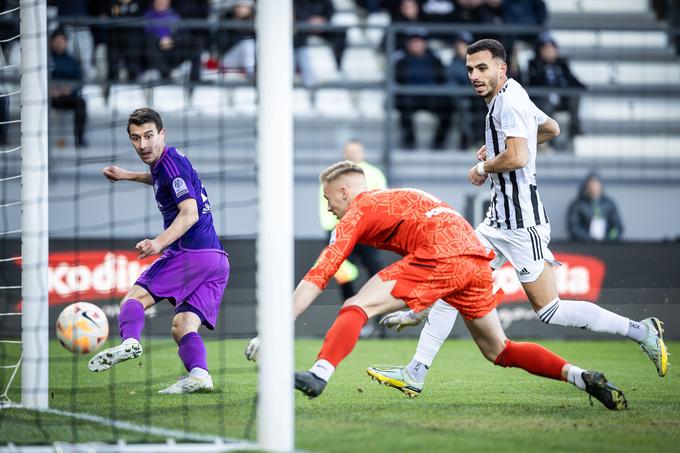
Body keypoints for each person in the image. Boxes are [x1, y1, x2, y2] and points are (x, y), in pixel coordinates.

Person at [367, 39, 668, 397]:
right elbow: (552, 128)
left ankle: (641, 331)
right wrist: (501, 148)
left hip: (522, 223)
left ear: (501, 68)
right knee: (455, 285)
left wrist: (484, 165)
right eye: (469, 70)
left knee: (550, 310)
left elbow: (518, 158)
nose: (474, 76)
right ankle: (415, 372)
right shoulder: (513, 94)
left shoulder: (508, 102)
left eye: (482, 68)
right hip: (497, 223)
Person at [247, 161, 627, 410]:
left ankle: (319, 374)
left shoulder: (357, 211)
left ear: (345, 192)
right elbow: (444, 242)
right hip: (477, 260)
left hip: (442, 255)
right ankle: (580, 376)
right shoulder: (402, 195)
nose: (328, 207)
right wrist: (421, 306)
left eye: (328, 199)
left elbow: (321, 273)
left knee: (357, 306)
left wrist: (274, 331)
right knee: (499, 350)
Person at [88, 108, 230, 395]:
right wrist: (127, 175)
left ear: (162, 133)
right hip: (217, 259)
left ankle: (130, 342)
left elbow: (188, 214)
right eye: (135, 138)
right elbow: (160, 178)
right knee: (183, 325)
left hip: (191, 254)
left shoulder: (170, 164)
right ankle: (200, 375)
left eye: (149, 136)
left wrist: (158, 243)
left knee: (134, 299)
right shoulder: (169, 162)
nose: (143, 145)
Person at [318, 140, 387, 337]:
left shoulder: (373, 174)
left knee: (377, 273)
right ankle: (352, 321)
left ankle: (379, 322)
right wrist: (331, 228)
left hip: (367, 232)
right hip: (340, 231)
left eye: (355, 151)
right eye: (349, 151)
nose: (353, 154)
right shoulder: (332, 175)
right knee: (343, 274)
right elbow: (325, 204)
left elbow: (383, 201)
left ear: (362, 152)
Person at [394, 31, 452, 150]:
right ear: (408, 44)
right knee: (403, 107)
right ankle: (409, 143)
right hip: (410, 98)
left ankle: (438, 144)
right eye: (413, 42)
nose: (416, 45)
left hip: (431, 98)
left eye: (419, 42)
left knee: (449, 108)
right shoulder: (402, 61)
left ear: (424, 43)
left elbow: (442, 80)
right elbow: (398, 81)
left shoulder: (435, 60)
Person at [528, 34, 585, 142]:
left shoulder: (561, 63)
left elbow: (572, 79)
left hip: (561, 98)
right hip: (543, 100)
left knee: (574, 96)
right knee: (547, 106)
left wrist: (581, 86)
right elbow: (534, 82)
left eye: (552, 49)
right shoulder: (534, 64)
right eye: (546, 49)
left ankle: (574, 129)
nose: (550, 52)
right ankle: (550, 138)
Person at [49, 28, 88, 147]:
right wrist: (50, 90)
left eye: (62, 40)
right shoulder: (46, 59)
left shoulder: (72, 61)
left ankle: (79, 139)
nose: (60, 43)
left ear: (66, 42)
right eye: (57, 40)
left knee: (81, 102)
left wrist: (70, 90)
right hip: (50, 98)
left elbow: (80, 81)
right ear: (52, 42)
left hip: (67, 97)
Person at [567, 172, 623, 242]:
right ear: (585, 187)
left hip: (607, 246)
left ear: (601, 186)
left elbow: (617, 227)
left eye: (596, 184)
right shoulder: (577, 205)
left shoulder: (609, 204)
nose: (593, 187)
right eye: (591, 184)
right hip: (584, 245)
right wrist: (589, 238)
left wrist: (608, 238)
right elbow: (574, 227)